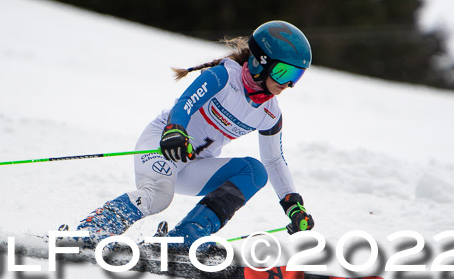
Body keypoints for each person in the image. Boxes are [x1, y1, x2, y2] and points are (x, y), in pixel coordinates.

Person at [75, 20, 315, 247]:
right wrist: (175, 130)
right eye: (283, 72)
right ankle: (93, 229)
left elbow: (273, 160)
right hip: (165, 145)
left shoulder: (270, 113)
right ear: (259, 62)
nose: (288, 84)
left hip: (195, 164)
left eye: (296, 77)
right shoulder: (224, 77)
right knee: (159, 195)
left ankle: (187, 236)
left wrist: (292, 204)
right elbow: (185, 103)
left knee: (254, 171)